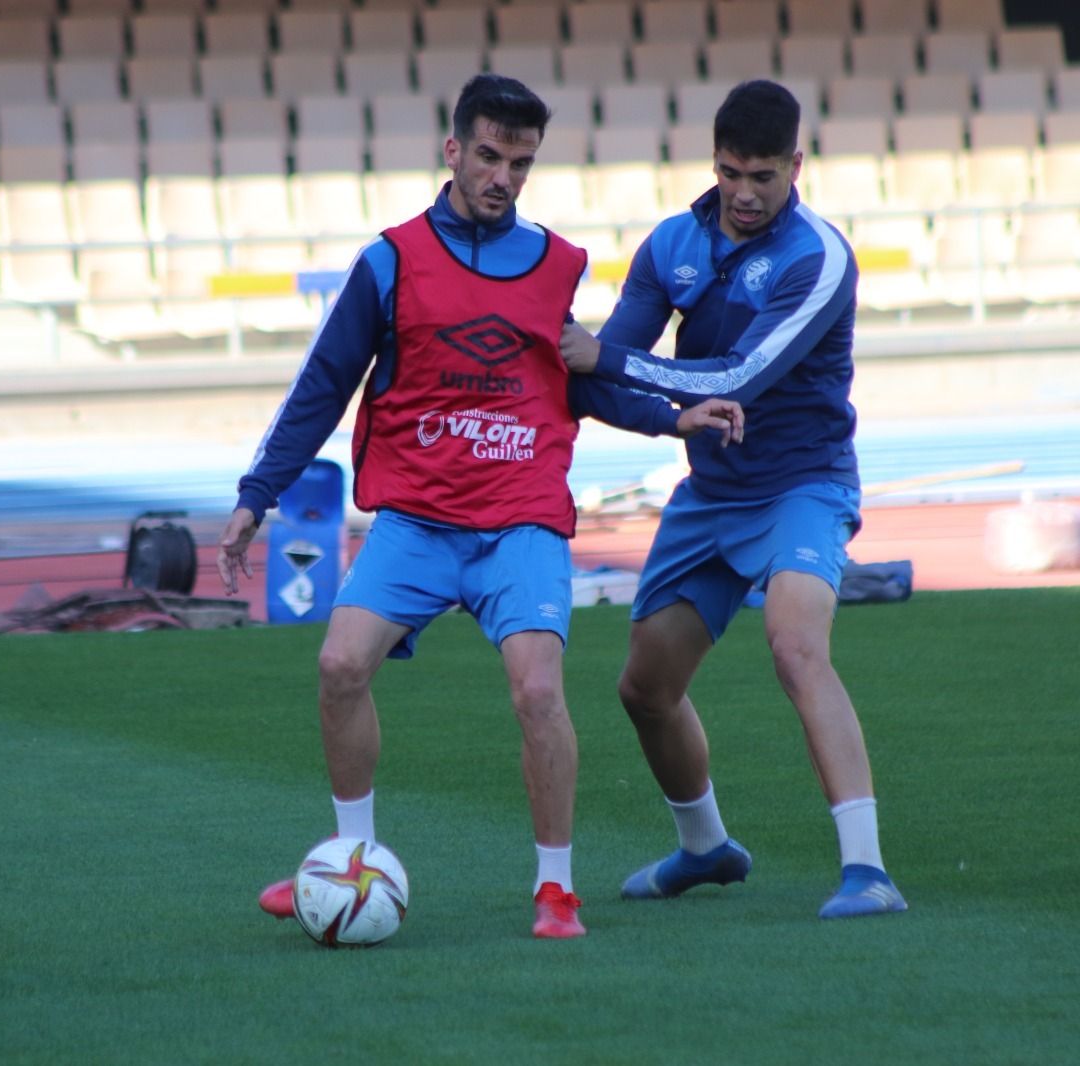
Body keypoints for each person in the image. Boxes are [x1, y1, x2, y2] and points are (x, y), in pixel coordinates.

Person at [217, 74, 745, 940]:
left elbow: (582, 382)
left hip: (520, 519)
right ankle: (354, 863)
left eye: (522, 162)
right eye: (491, 156)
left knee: (538, 690)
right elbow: (324, 385)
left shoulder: (555, 264)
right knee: (340, 666)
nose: (504, 176)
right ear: (454, 149)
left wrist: (669, 415)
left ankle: (556, 891)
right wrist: (255, 496)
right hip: (417, 520)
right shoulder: (389, 261)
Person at [558, 79, 907, 919]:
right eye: (729, 174)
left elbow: (733, 377)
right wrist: (659, 412)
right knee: (644, 689)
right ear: (711, 162)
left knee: (795, 647)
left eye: (763, 177)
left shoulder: (817, 258)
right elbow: (595, 388)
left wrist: (600, 359)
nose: (744, 195)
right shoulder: (671, 242)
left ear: (796, 164)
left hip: (803, 485)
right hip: (711, 493)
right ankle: (706, 848)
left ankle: (868, 872)